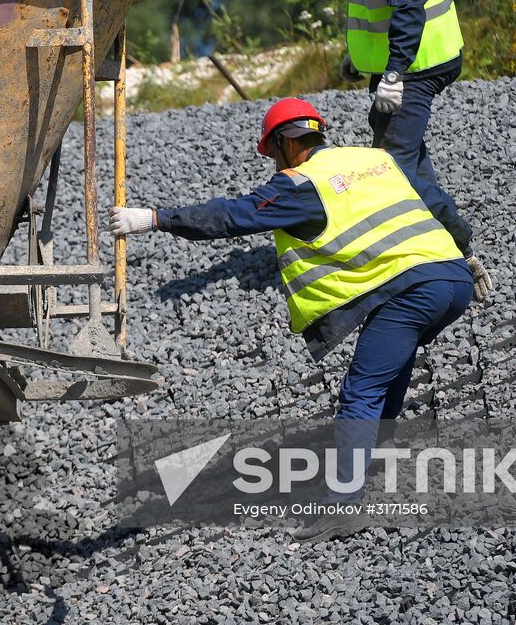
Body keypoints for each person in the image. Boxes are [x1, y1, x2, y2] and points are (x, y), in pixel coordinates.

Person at [110, 97, 476, 538]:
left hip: (411, 289)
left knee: (361, 389)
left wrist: (154, 219)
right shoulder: (376, 160)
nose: (274, 167)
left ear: (284, 143)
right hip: (452, 280)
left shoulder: (302, 185)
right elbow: (436, 199)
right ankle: (372, 453)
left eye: (273, 155)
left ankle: (344, 504)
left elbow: (233, 215)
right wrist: (467, 253)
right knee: (388, 366)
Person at [318, 0, 492, 299]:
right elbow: (379, 12)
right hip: (404, 65)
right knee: (402, 154)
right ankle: (435, 238)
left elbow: (409, 10)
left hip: (418, 66)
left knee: (390, 164)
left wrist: (393, 74)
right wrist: (360, 61)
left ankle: (458, 247)